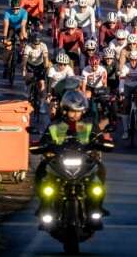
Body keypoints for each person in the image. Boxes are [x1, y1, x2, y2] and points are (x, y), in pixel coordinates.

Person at [34, 90, 110, 224]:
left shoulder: (88, 124)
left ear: (83, 111)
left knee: (100, 172)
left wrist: (104, 142)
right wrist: (40, 146)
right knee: (41, 169)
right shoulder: (57, 125)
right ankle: (44, 204)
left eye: (78, 111)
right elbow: (44, 141)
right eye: (72, 111)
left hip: (84, 162)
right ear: (65, 110)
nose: (75, 115)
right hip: (60, 162)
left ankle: (97, 206)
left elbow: (100, 139)